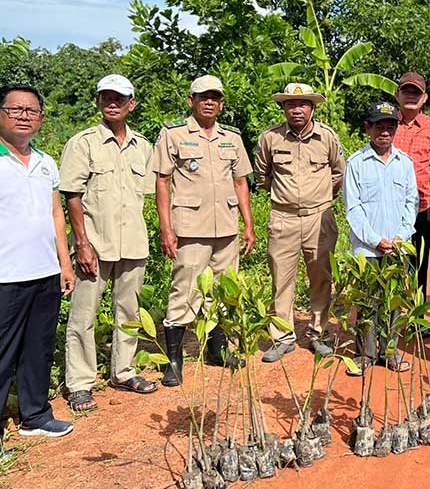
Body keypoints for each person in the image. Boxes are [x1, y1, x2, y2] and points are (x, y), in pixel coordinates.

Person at [60, 75, 157, 413]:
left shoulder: (143, 146)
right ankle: (80, 383)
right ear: (98, 102)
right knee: (83, 315)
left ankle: (123, 371)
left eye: (120, 98)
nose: (112, 103)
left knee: (128, 312)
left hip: (133, 243)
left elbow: (144, 196)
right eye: (106, 97)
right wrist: (82, 243)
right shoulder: (83, 143)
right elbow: (72, 195)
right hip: (95, 244)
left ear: (132, 103)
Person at [153, 75, 255, 387]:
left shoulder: (232, 137)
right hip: (190, 228)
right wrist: (166, 227)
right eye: (203, 97)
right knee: (185, 291)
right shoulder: (173, 134)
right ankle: (174, 361)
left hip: (226, 227)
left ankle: (217, 350)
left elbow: (240, 182)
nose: (209, 102)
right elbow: (162, 181)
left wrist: (248, 225)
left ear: (221, 104)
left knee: (223, 291)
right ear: (191, 101)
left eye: (214, 97)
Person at [0, 83, 75, 449]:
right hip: (5, 275)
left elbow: (56, 214)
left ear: (42, 118)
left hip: (44, 272)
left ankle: (35, 416)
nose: (24, 116)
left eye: (31, 111)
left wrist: (65, 263)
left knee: (38, 348)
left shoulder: (46, 162)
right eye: (15, 109)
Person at [254, 83, 345, 361]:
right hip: (283, 218)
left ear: (312, 108)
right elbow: (262, 176)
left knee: (321, 277)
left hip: (320, 217)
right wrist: (287, 199)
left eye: (303, 104)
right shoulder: (270, 138)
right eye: (291, 104)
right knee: (281, 279)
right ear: (283, 108)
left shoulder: (327, 137)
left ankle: (318, 333)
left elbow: (339, 173)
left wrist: (320, 198)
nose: (297, 109)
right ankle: (283, 337)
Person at [343, 101, 419, 374]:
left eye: (390, 126)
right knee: (367, 302)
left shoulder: (405, 163)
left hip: (397, 246)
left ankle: (390, 352)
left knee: (394, 302)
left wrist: (401, 236)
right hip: (367, 249)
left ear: (396, 129)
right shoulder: (356, 163)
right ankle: (365, 354)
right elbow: (353, 208)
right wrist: (376, 240)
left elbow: (411, 203)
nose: (384, 132)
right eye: (379, 126)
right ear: (368, 128)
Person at [392, 72, 430, 337]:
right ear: (398, 95)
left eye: (416, 93)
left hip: (422, 205)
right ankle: (389, 319)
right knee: (390, 262)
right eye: (406, 91)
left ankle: (416, 317)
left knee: (419, 263)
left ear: (424, 98)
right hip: (390, 207)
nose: (411, 96)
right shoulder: (387, 122)